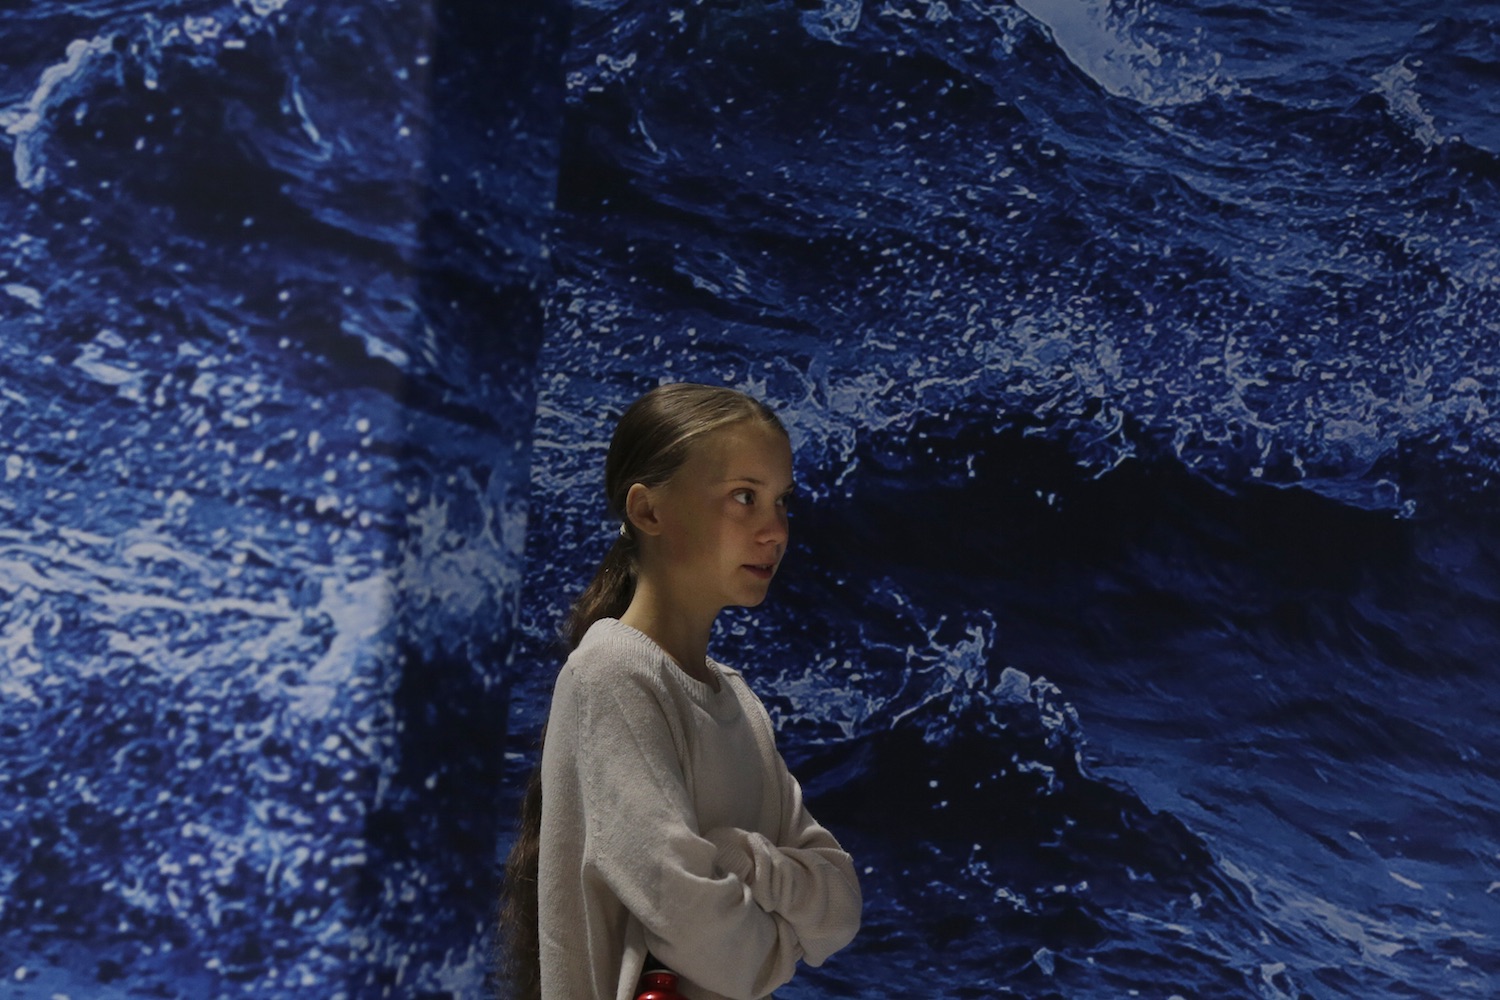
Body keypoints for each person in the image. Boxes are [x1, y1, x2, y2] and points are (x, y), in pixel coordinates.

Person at [497, 382, 862, 1000]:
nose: (776, 530)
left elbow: (840, 905)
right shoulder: (613, 673)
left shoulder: (739, 703)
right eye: (744, 498)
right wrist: (781, 942)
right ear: (648, 512)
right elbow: (696, 924)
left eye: (782, 502)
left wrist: (739, 860)